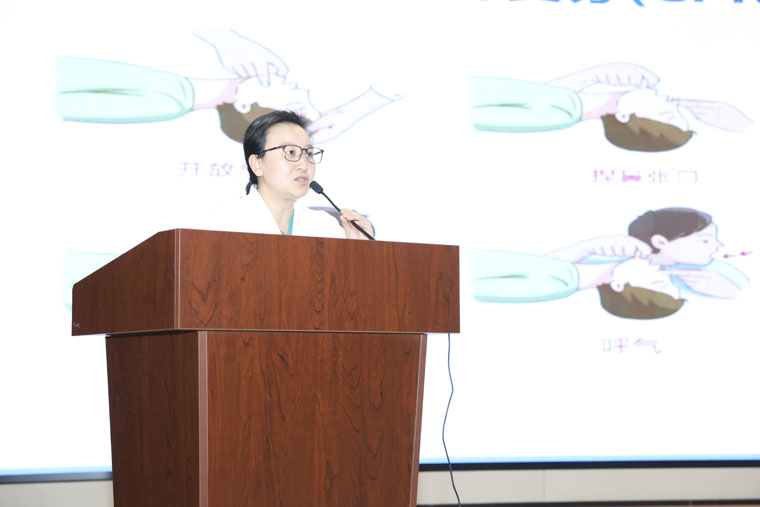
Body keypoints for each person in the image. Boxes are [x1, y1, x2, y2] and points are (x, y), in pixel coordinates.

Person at [54, 30, 400, 145]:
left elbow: (56, 94)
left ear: (247, 106)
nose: (301, 88)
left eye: (297, 102)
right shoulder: (177, 91)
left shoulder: (169, 100)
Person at [472, 207, 748, 319]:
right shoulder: (574, 274)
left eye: (659, 281)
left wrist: (586, 248)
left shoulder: (563, 281)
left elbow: (504, 271)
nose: (662, 272)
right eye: (705, 240)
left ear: (619, 285)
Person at [469, 63, 752, 152]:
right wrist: (594, 75)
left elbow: (473, 102)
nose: (672, 102)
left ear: (625, 116)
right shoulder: (567, 106)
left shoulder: (562, 112)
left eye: (667, 113)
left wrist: (593, 76)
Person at [204, 110, 374, 239]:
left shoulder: (326, 228)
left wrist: (358, 252)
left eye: (308, 153)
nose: (304, 165)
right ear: (257, 164)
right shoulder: (220, 225)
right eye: (291, 152)